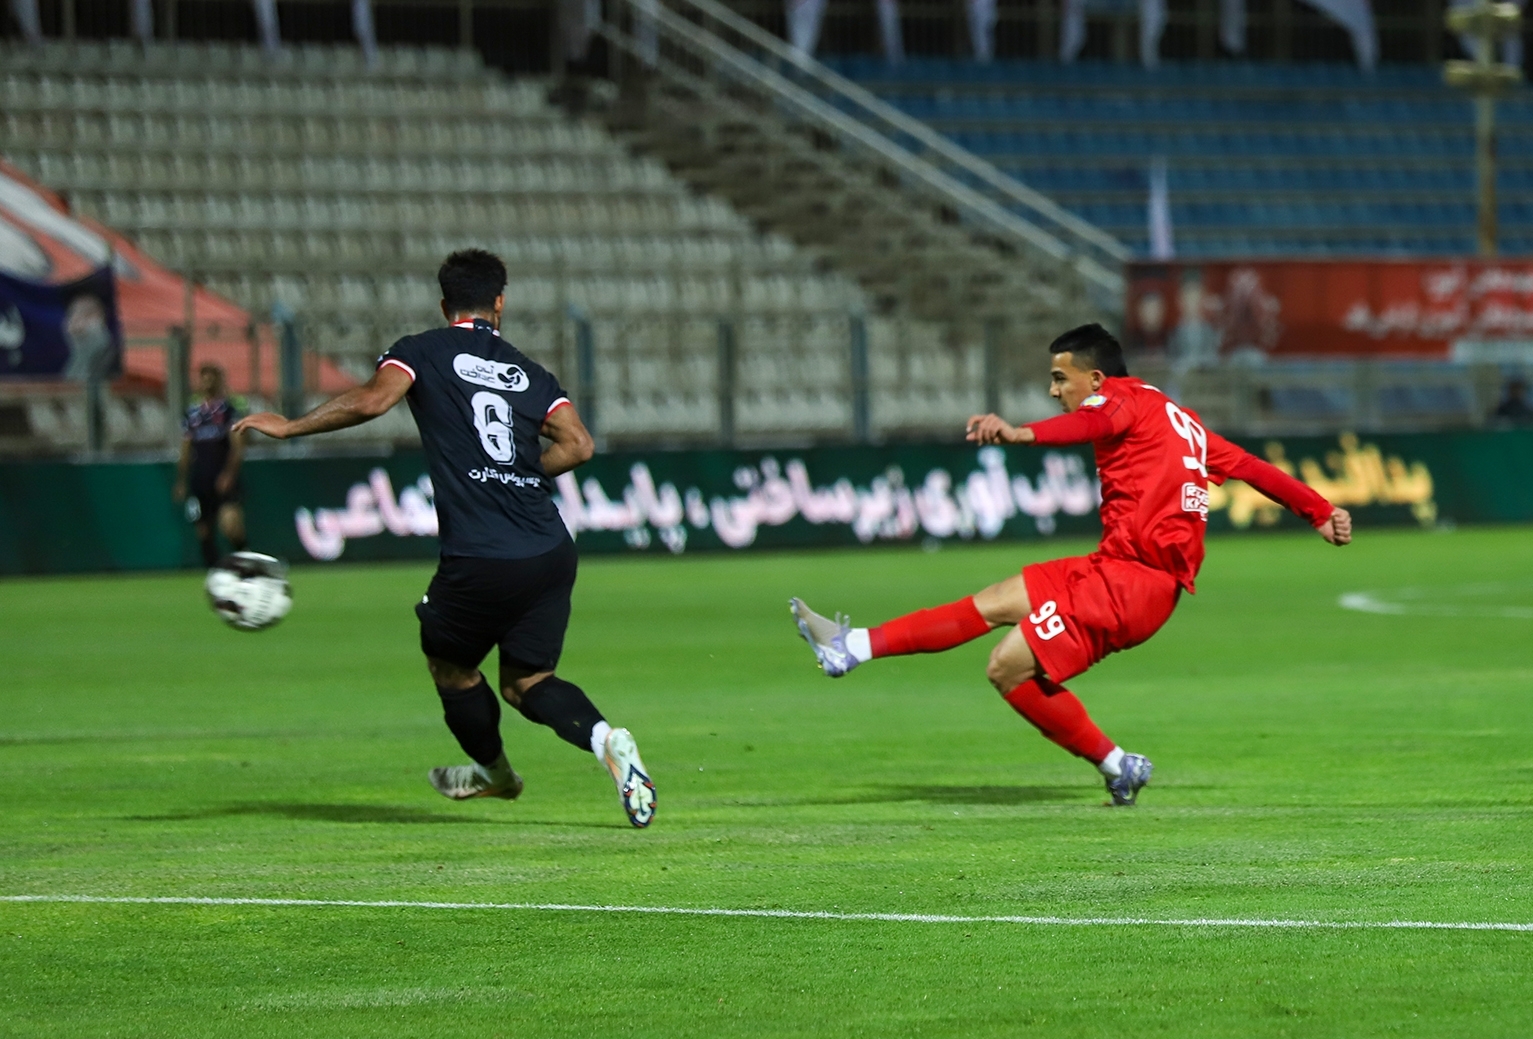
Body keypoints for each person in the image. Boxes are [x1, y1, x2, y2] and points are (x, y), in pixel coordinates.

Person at [791, 323, 1352, 806]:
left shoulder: (1119, 402)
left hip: (1131, 586)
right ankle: (852, 646)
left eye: (1061, 378)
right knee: (999, 599)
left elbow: (1090, 425)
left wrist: (1021, 433)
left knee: (1006, 668)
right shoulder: (1177, 418)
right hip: (1115, 569)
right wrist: (1320, 511)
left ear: (1097, 380)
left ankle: (1117, 764)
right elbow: (1250, 465)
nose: (1054, 389)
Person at [234, 249, 656, 828]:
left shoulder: (422, 351)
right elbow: (579, 445)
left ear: (443, 304)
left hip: (481, 554)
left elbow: (372, 400)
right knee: (528, 682)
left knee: (451, 667)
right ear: (499, 303)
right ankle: (606, 738)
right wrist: (520, 473)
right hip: (549, 549)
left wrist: (289, 425)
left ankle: (495, 774)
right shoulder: (529, 373)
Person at [173, 363, 248, 567]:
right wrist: (181, 480)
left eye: (211, 378)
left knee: (231, 527)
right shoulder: (193, 413)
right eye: (204, 378)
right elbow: (186, 449)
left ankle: (246, 563)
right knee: (203, 531)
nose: (207, 383)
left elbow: (237, 447)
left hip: (221, 477)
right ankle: (215, 571)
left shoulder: (229, 411)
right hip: (200, 479)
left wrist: (229, 474)